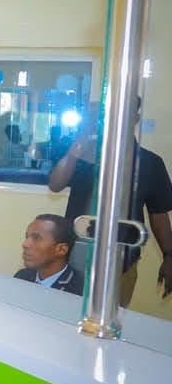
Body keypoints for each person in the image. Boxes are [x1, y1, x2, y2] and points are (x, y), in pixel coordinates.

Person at [48, 101, 172, 305]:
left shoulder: (150, 162)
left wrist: (169, 256)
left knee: (111, 317)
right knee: (65, 313)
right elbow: (55, 184)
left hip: (122, 261)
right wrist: (81, 140)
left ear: (135, 118)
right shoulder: (84, 155)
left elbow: (159, 214)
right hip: (75, 255)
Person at [14, 214, 84, 295]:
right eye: (27, 237)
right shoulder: (22, 276)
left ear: (61, 249)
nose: (25, 244)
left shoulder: (81, 289)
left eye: (36, 238)